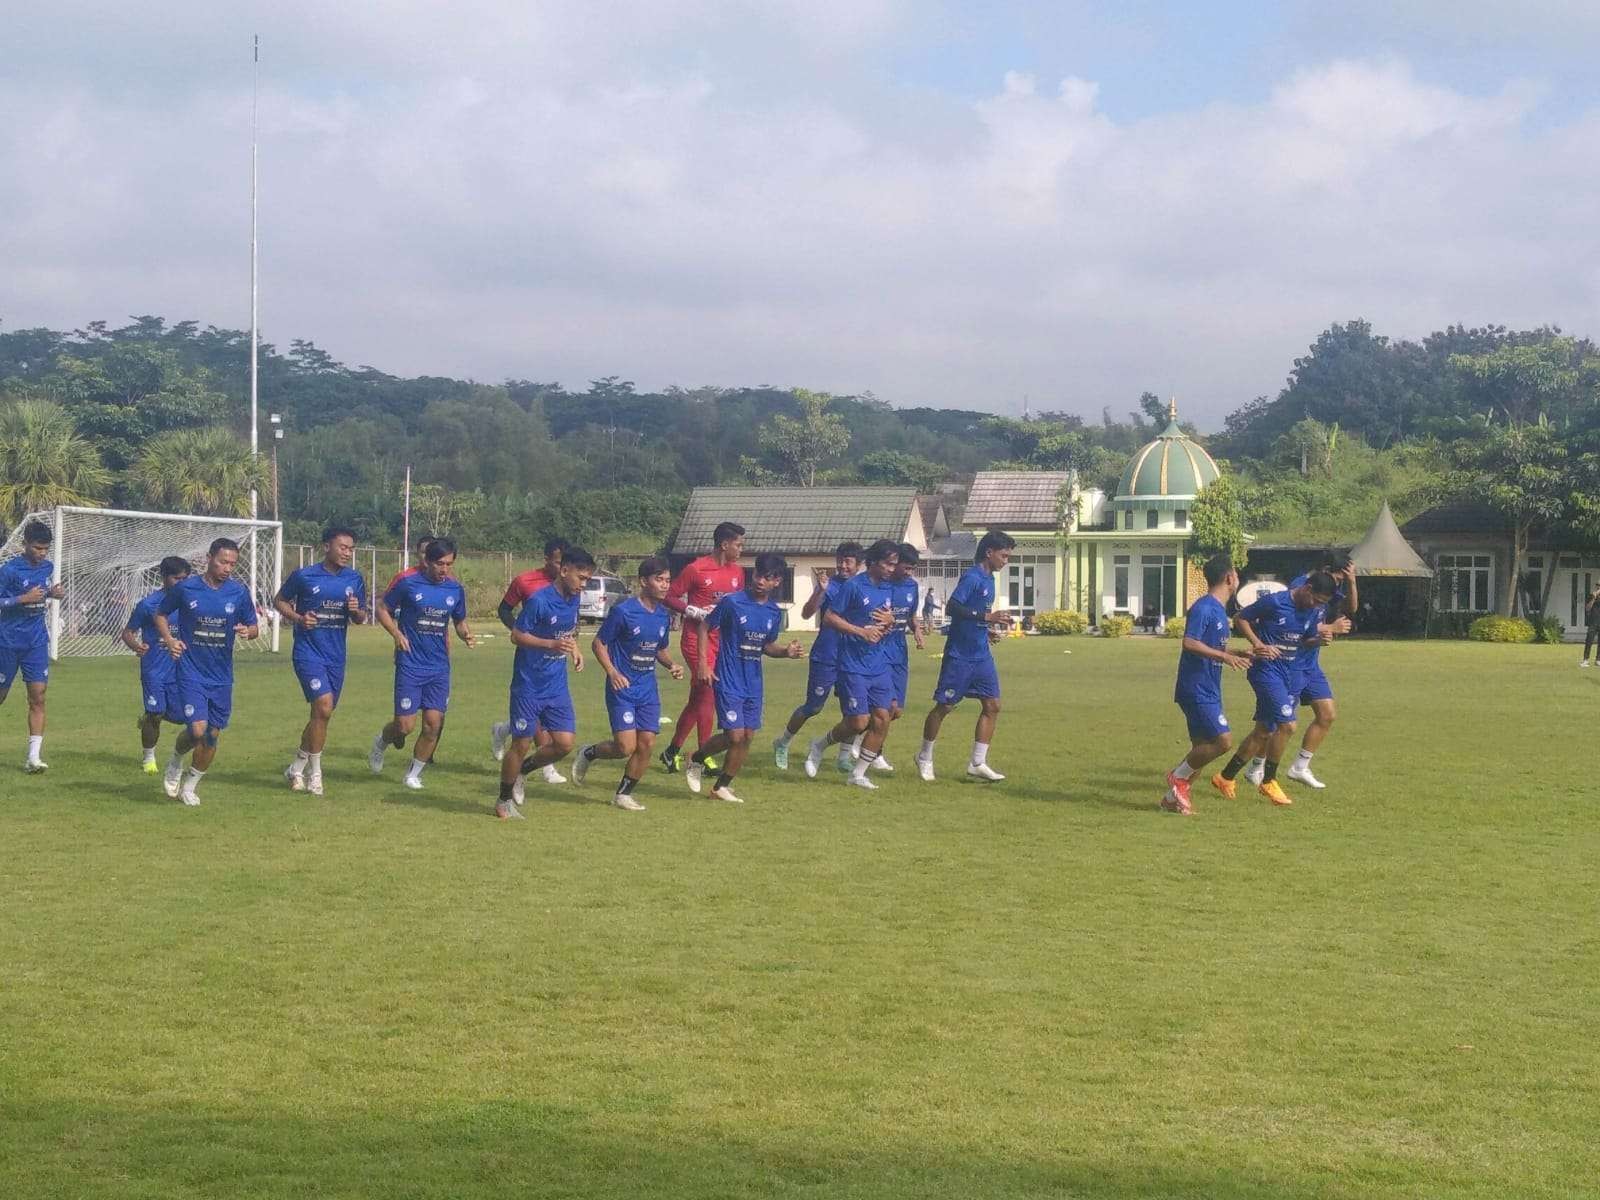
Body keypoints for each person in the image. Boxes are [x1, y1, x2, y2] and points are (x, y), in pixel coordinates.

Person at [1211, 571, 1340, 807]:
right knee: (1288, 724)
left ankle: (1225, 777)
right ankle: (1268, 780)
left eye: (1322, 603)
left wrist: (1318, 640)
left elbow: (1305, 640)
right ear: (1307, 589)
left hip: (1289, 672)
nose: (1317, 606)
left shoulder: (1313, 611)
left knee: (1264, 730)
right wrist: (1258, 644)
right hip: (1266, 670)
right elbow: (1241, 618)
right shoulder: (1275, 601)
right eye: (1316, 600)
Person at [684, 552, 804, 803]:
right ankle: (695, 758)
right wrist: (704, 664)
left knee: (747, 736)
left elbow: (766, 646)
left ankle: (720, 787)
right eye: (759, 574)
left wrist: (786, 652)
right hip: (728, 678)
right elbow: (705, 626)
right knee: (734, 735)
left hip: (754, 682)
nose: (761, 580)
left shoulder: (773, 612)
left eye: (768, 577)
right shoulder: (732, 603)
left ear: (777, 582)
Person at [152, 538, 260, 805]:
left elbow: (254, 625)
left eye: (233, 564)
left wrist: (249, 632)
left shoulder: (237, 593)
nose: (228, 568)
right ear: (209, 558)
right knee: (199, 731)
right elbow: (160, 614)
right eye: (223, 562)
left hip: (222, 676)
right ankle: (176, 760)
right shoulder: (187, 588)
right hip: (191, 671)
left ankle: (190, 786)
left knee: (212, 735)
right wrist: (169, 640)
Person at [571, 556, 684, 810]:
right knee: (625, 747)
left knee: (647, 744)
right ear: (644, 582)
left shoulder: (663, 616)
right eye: (659, 580)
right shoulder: (624, 611)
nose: (665, 585)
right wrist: (612, 672)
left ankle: (623, 794)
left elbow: (659, 649)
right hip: (622, 688)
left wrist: (672, 664)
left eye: (668, 580)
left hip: (647, 690)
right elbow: (598, 643)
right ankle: (590, 752)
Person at [370, 538, 475, 790]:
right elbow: (382, 608)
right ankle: (381, 742)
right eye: (440, 563)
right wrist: (396, 634)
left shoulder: (454, 590)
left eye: (449, 564)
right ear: (427, 561)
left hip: (439, 666)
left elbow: (459, 621)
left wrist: (466, 634)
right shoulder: (408, 583)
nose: (444, 569)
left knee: (433, 724)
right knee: (404, 726)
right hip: (410, 664)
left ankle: (413, 774)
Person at [497, 547, 595, 820]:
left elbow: (568, 632)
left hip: (556, 684)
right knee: (521, 743)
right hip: (528, 684)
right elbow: (517, 636)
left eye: (587, 580)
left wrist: (574, 649)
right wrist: (549, 644)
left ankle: (522, 773)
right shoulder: (540, 601)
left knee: (564, 744)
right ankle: (503, 800)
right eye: (581, 577)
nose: (583, 584)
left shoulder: (573, 600)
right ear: (564, 571)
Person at [914, 530, 1016, 783]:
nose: (1006, 561)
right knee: (945, 706)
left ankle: (977, 762)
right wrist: (986, 618)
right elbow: (953, 608)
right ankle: (924, 756)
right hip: (960, 655)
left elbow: (976, 614)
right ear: (989, 552)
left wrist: (987, 628)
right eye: (1004, 556)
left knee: (992, 706)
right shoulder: (972, 577)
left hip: (981, 654)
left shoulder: (989, 579)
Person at [275, 525, 368, 796]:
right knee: (323, 707)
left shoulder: (354, 578)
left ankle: (296, 767)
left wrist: (356, 611)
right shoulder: (304, 576)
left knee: (321, 715)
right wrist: (298, 618)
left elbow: (361, 617)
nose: (347, 553)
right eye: (342, 547)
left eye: (351, 549)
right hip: (308, 653)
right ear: (326, 546)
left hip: (336, 656)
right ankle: (316, 774)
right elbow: (279, 600)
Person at [1250, 558, 1357, 790]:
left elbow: (1351, 610)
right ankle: (1256, 766)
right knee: (1275, 722)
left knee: (1327, 714)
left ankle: (1299, 767)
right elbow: (1293, 624)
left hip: (1312, 664)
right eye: (1339, 577)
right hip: (1291, 664)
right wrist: (1330, 628)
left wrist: (1352, 581)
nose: (1337, 584)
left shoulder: (1329, 589)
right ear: (1326, 571)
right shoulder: (1304, 586)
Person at [802, 539, 900, 789]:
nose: (892, 569)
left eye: (894, 564)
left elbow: (885, 621)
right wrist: (861, 632)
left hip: (879, 663)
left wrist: (891, 621)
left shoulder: (888, 588)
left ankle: (857, 774)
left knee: (883, 718)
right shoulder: (854, 586)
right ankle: (819, 745)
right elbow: (830, 618)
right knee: (858, 721)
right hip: (852, 663)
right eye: (888, 564)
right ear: (875, 562)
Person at [1162, 555, 1252, 815]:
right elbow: (1190, 643)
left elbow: (1213, 647)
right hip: (1196, 687)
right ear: (1229, 578)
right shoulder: (1204, 607)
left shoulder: (1219, 612)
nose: (1237, 577)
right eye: (1236, 573)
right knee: (1223, 741)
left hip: (1209, 686)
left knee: (1201, 748)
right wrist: (1225, 656)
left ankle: (1171, 800)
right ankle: (1177, 778)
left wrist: (1239, 653)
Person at [658, 521, 746, 773]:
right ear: (724, 544)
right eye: (738, 544)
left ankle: (671, 751)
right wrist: (692, 610)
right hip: (697, 639)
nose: (741, 549)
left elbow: (737, 603)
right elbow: (669, 595)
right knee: (707, 694)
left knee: (698, 698)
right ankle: (704, 757)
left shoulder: (737, 572)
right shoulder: (696, 569)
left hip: (722, 641)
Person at [490, 536, 575, 785]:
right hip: (530, 655)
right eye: (557, 562)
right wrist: (521, 631)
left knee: (545, 721)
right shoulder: (526, 582)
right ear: (547, 559)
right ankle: (537, 769)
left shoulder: (572, 590)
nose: (561, 568)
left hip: (554, 659)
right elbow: (504, 609)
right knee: (531, 719)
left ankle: (504, 731)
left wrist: (572, 645)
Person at [771, 541, 862, 770]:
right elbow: (806, 613)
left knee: (853, 709)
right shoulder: (828, 585)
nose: (842, 566)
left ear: (859, 565)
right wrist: (819, 591)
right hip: (826, 654)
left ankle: (843, 758)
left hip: (853, 656)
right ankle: (783, 743)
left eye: (848, 562)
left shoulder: (863, 586)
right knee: (813, 707)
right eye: (839, 560)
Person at [0, 520, 66, 772]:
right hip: (7, 641)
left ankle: (33, 757)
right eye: (37, 548)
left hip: (36, 642)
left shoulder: (47, 567)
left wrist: (53, 593)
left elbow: (41, 591)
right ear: (25, 543)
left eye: (45, 549)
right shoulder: (8, 570)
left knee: (38, 697)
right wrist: (22, 599)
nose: (42, 553)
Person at [855, 540, 926, 771]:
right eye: (905, 567)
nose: (909, 572)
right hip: (879, 650)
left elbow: (911, 615)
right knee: (885, 707)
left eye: (912, 568)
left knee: (897, 711)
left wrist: (916, 630)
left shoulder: (912, 587)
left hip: (899, 651)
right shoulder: (883, 587)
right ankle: (872, 752)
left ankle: (860, 742)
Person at [121, 555, 193, 774]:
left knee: (182, 716)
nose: (181, 583)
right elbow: (127, 633)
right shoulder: (148, 605)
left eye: (185, 579)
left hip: (182, 670)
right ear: (163, 577)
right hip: (155, 670)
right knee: (156, 713)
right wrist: (137, 646)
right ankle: (148, 757)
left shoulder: (191, 604)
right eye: (176, 578)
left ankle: (149, 716)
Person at [1582, 583, 1600, 667]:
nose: (1598, 586)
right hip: (1593, 621)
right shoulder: (1592, 596)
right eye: (1598, 585)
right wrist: (1594, 598)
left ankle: (1598, 660)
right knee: (1589, 640)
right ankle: (1585, 660)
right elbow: (1587, 608)